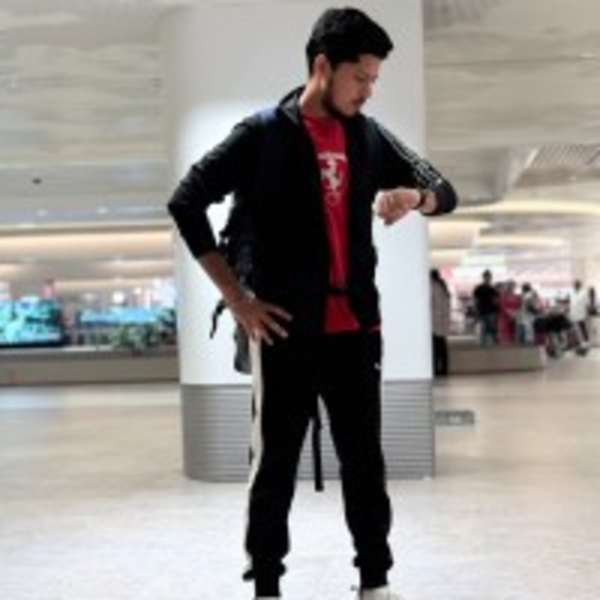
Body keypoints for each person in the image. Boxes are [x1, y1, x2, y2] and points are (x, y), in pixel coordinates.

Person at [167, 8, 457, 600]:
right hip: (284, 333)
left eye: (375, 79)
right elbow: (186, 201)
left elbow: (444, 190)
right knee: (274, 466)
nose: (368, 90)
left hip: (357, 331)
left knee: (365, 462)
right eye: (361, 77)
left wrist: (413, 196)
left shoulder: (370, 136)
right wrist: (237, 299)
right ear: (323, 66)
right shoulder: (261, 134)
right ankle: (267, 585)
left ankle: (374, 581)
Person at [430, 269, 451, 376]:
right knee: (442, 347)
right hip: (441, 322)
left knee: (436, 348)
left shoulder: (433, 287)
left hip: (435, 322)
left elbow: (436, 306)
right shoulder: (442, 287)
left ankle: (437, 369)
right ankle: (443, 369)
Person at [472, 270, 499, 345]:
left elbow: (495, 300)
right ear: (484, 277)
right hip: (483, 310)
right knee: (484, 326)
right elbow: (476, 300)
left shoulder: (492, 289)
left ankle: (489, 340)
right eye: (487, 276)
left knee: (490, 326)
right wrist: (476, 309)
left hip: (489, 310)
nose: (488, 278)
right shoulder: (479, 288)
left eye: (489, 277)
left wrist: (496, 309)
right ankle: (484, 341)